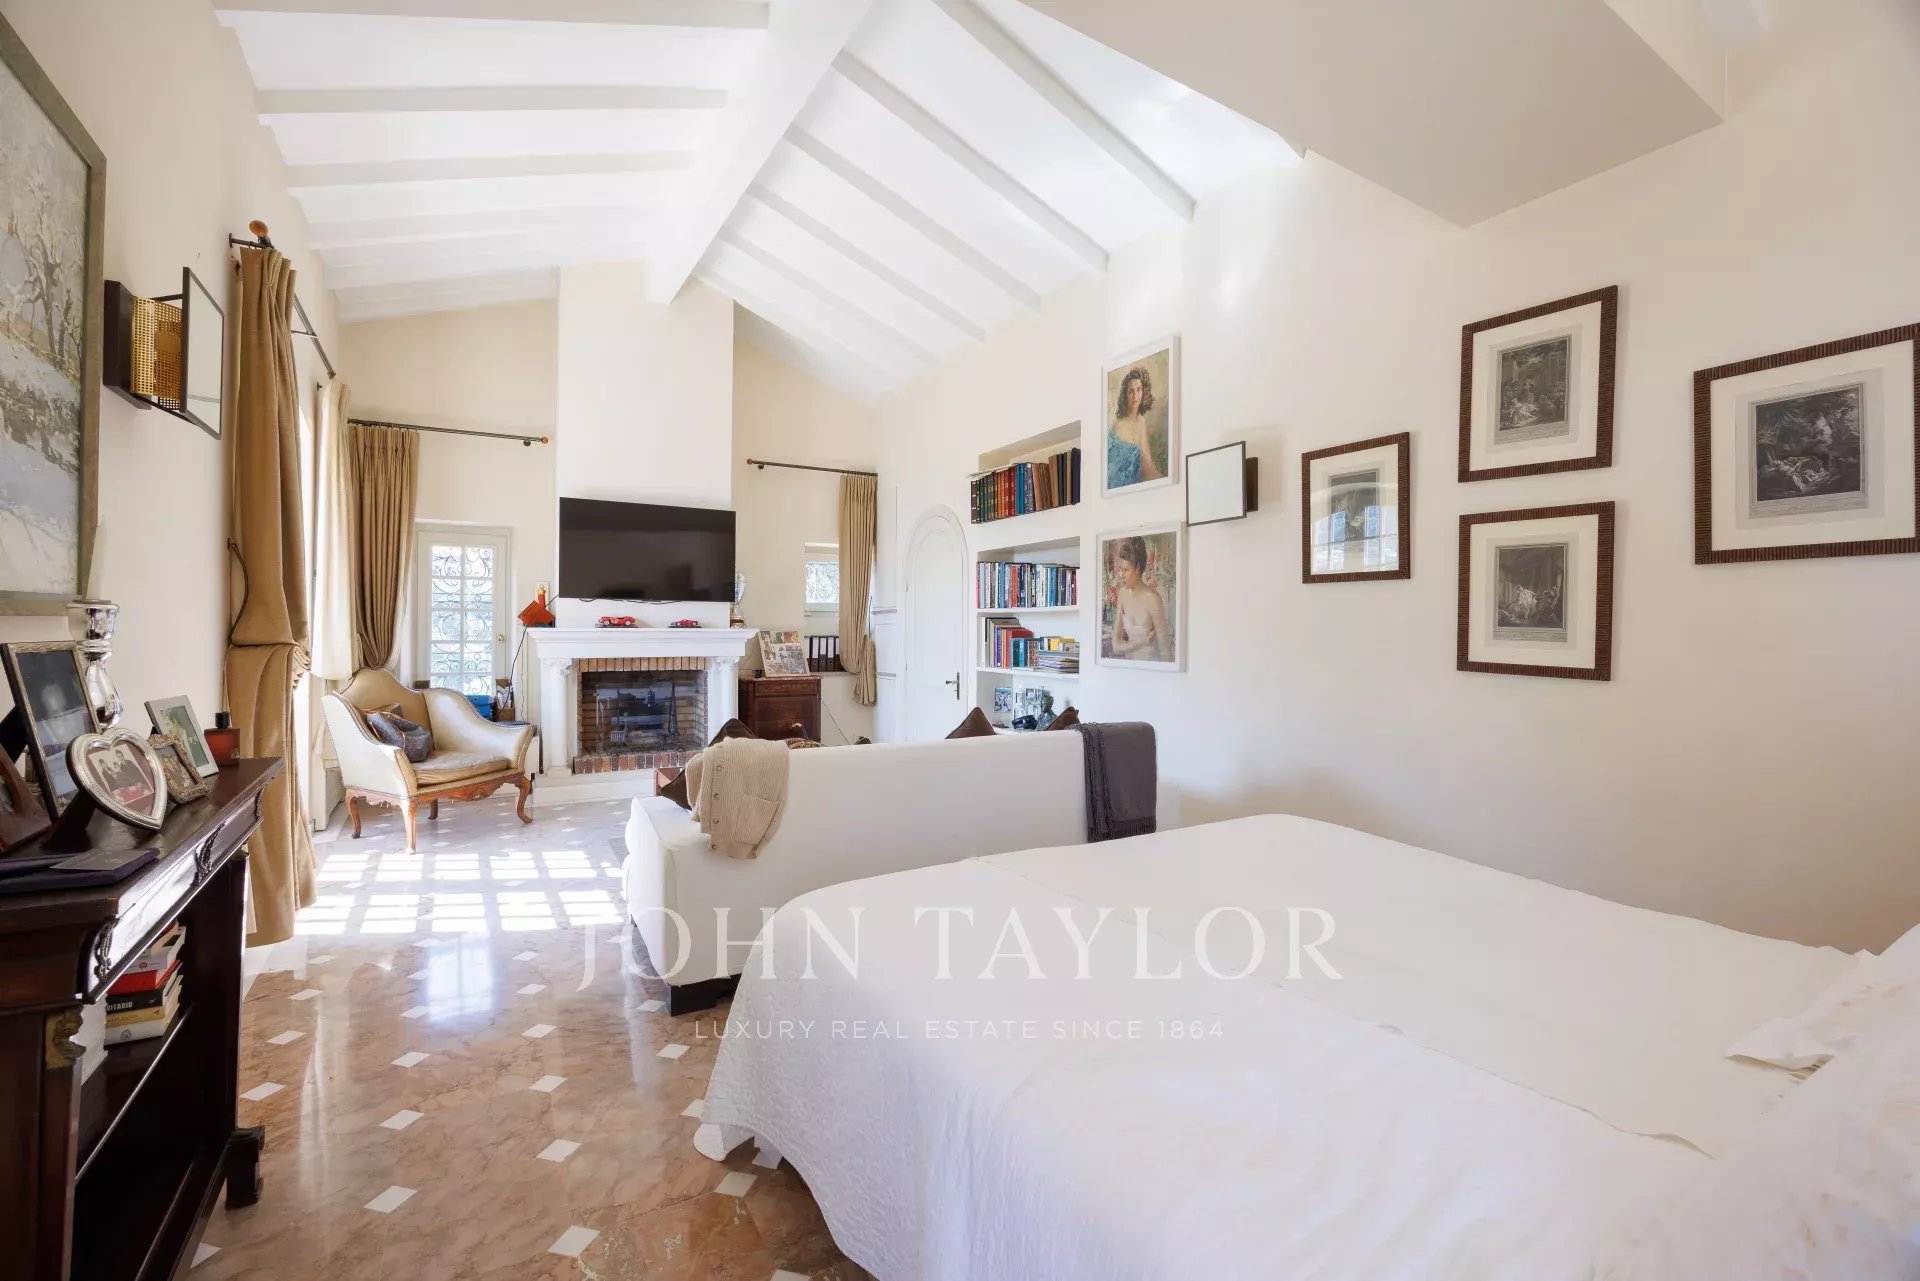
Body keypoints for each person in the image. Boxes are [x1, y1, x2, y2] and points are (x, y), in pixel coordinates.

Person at [1107, 536, 1170, 663]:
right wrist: (1142, 641)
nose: (1121, 575)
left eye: (1126, 570)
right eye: (1121, 569)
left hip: (1152, 666)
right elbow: (1116, 646)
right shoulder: (1123, 594)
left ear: (1137, 568)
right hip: (1130, 667)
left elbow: (1165, 652)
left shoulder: (1153, 599)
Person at [1107, 365, 1164, 489]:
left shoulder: (1141, 421)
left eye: (1139, 390)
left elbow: (1146, 462)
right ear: (1125, 395)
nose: (1135, 396)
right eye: (1131, 391)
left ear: (1144, 392)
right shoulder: (1118, 424)